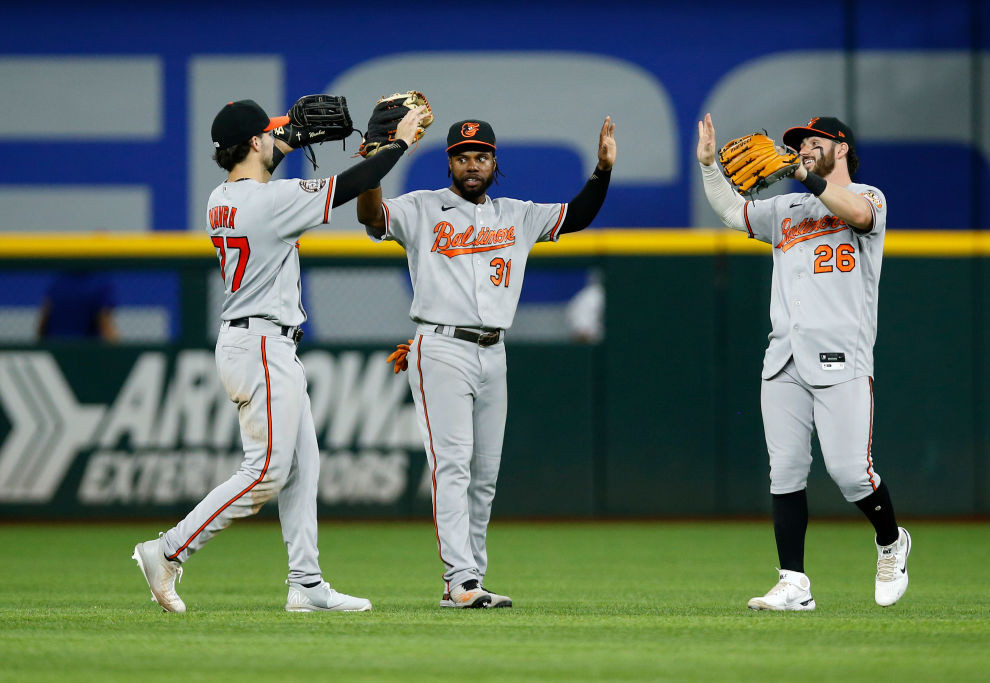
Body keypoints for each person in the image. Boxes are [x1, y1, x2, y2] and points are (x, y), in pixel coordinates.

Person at [131, 97, 430, 613]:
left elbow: (273, 147)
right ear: (252, 143)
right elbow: (354, 185)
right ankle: (167, 549)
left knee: (302, 467)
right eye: (266, 135)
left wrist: (295, 134)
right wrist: (397, 142)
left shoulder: (221, 196)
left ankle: (307, 584)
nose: (277, 140)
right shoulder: (271, 201)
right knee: (267, 470)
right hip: (262, 345)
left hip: (259, 342)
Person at [357, 117, 616, 608]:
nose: (471, 165)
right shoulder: (421, 208)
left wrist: (602, 170)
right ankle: (460, 580)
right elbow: (371, 218)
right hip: (441, 348)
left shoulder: (516, 214)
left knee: (485, 474)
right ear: (449, 162)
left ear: (495, 162)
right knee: (452, 466)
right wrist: (373, 167)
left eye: (480, 156)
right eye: (462, 156)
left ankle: (470, 577)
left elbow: (577, 215)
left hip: (493, 351)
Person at [697, 113, 911, 610]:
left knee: (851, 473)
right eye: (800, 144)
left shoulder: (869, 195)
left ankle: (890, 541)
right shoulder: (789, 208)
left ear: (842, 149)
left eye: (816, 142)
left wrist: (802, 172)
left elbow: (857, 217)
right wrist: (709, 167)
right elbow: (735, 212)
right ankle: (793, 581)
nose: (805, 149)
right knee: (786, 471)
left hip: (843, 357)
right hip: (785, 356)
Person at [37, 270, 119, 342]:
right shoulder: (101, 282)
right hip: (86, 353)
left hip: (55, 348)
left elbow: (43, 323)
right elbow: (105, 327)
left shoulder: (58, 280)